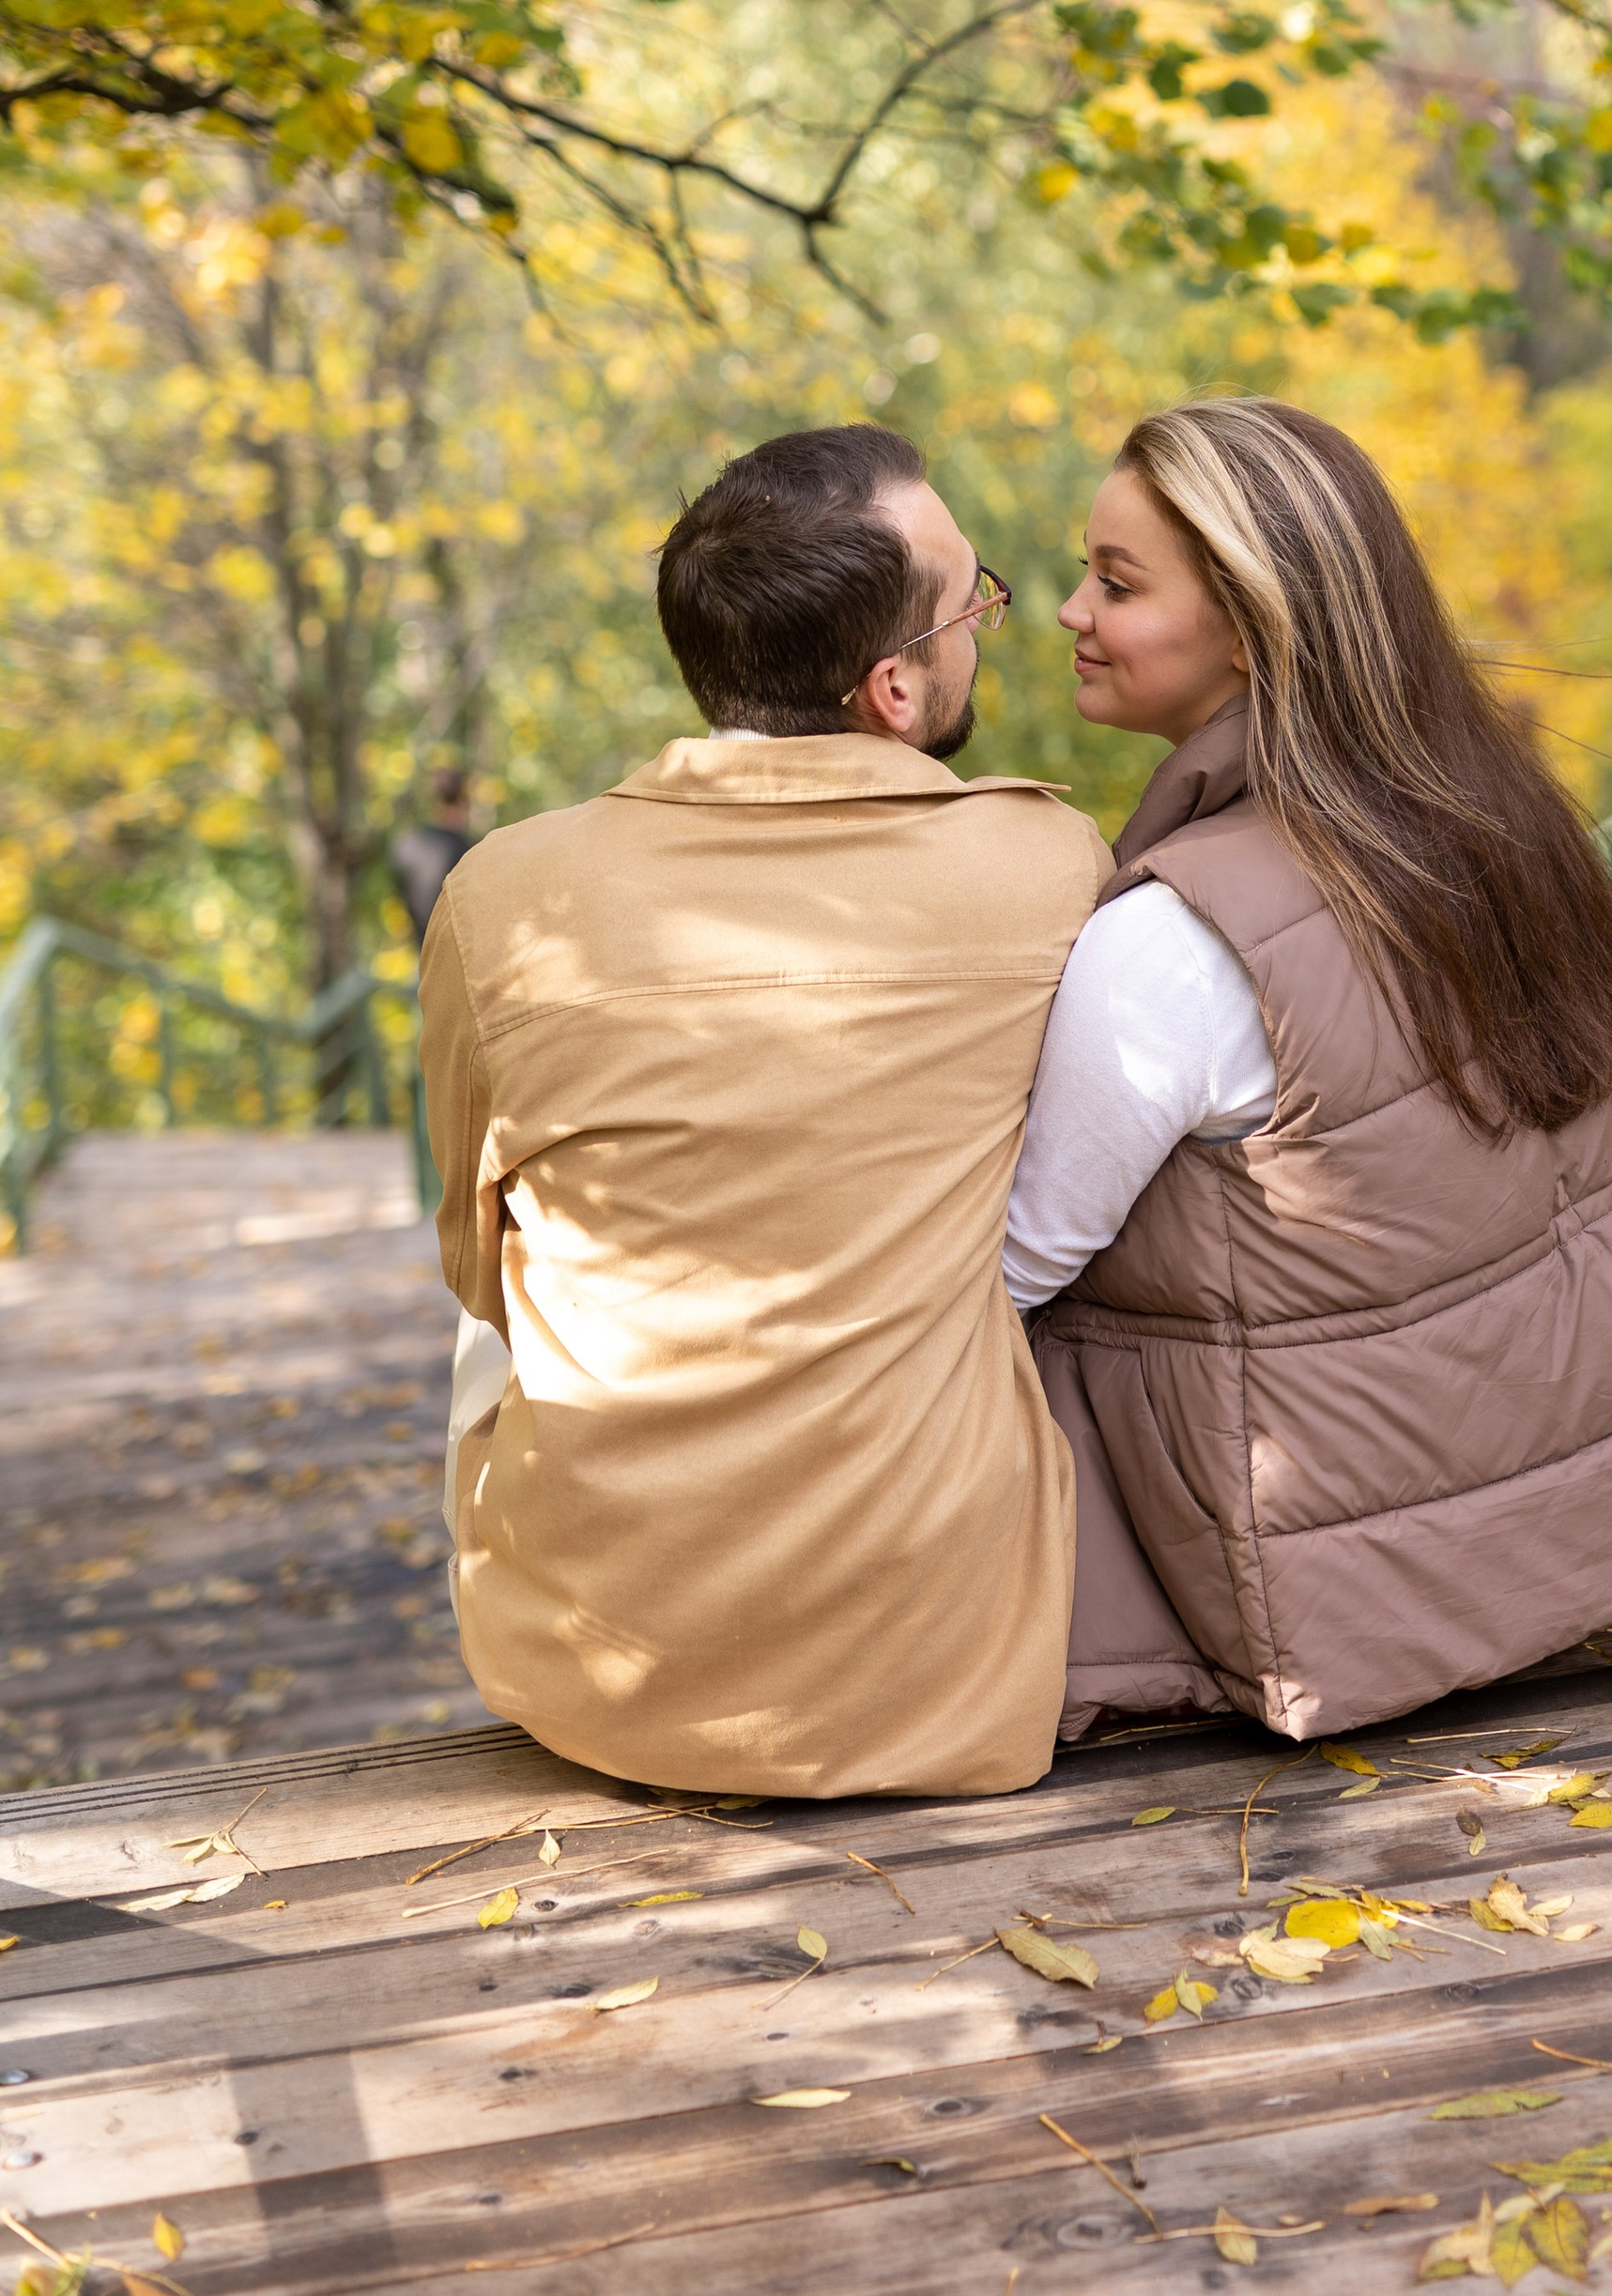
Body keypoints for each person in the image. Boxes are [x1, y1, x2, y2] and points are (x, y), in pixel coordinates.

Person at [1014, 398, 1612, 1740]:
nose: (1070, 611)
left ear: (1247, 623)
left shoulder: (1175, 944)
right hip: (1580, 1547)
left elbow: (1014, 1264)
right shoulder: (1500, 823)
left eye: (1115, 583)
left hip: (1327, 1614)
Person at [420, 424, 1110, 1799]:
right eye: (976, 601)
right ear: (897, 690)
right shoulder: (1046, 863)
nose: (991, 627)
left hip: (592, 1685)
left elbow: (476, 1269)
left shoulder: (507, 897)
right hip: (944, 1678)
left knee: (501, 1287)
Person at [390, 768, 473, 944]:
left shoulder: (408, 845)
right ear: (463, 801)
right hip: (457, 951)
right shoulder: (467, 851)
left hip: (423, 952)